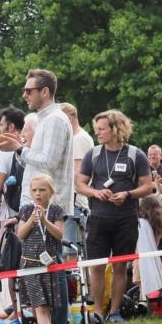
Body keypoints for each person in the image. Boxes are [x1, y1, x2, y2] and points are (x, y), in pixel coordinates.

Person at [0, 70, 74, 324]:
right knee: (39, 267)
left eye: (29, 90)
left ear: (45, 91)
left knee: (51, 267)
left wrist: (19, 149)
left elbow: (48, 162)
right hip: (35, 204)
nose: (25, 95)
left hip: (49, 205)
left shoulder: (54, 120)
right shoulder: (44, 120)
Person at [76, 110, 154, 323]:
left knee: (121, 266)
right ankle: (98, 312)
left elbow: (148, 186)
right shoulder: (93, 154)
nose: (97, 133)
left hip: (125, 218)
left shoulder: (135, 154)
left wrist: (128, 194)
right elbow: (80, 184)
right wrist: (95, 192)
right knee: (97, 266)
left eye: (101, 129)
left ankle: (115, 312)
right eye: (96, 129)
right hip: (99, 218)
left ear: (115, 129)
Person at [16, 174, 71, 324]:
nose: (38, 194)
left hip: (49, 265)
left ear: (51, 192)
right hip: (30, 266)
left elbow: (59, 235)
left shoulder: (56, 211)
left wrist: (45, 221)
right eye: (34, 190)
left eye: (42, 190)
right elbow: (20, 235)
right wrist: (33, 220)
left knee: (46, 306)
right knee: (39, 306)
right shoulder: (25, 211)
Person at [60, 103, 95, 253]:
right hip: (72, 200)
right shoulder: (76, 138)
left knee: (70, 252)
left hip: (74, 201)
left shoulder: (79, 139)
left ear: (70, 118)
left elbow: (78, 174)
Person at [0, 107, 26, 226]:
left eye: (1, 125)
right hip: (30, 212)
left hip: (12, 215)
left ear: (12, 127)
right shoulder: (29, 146)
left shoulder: (3, 151)